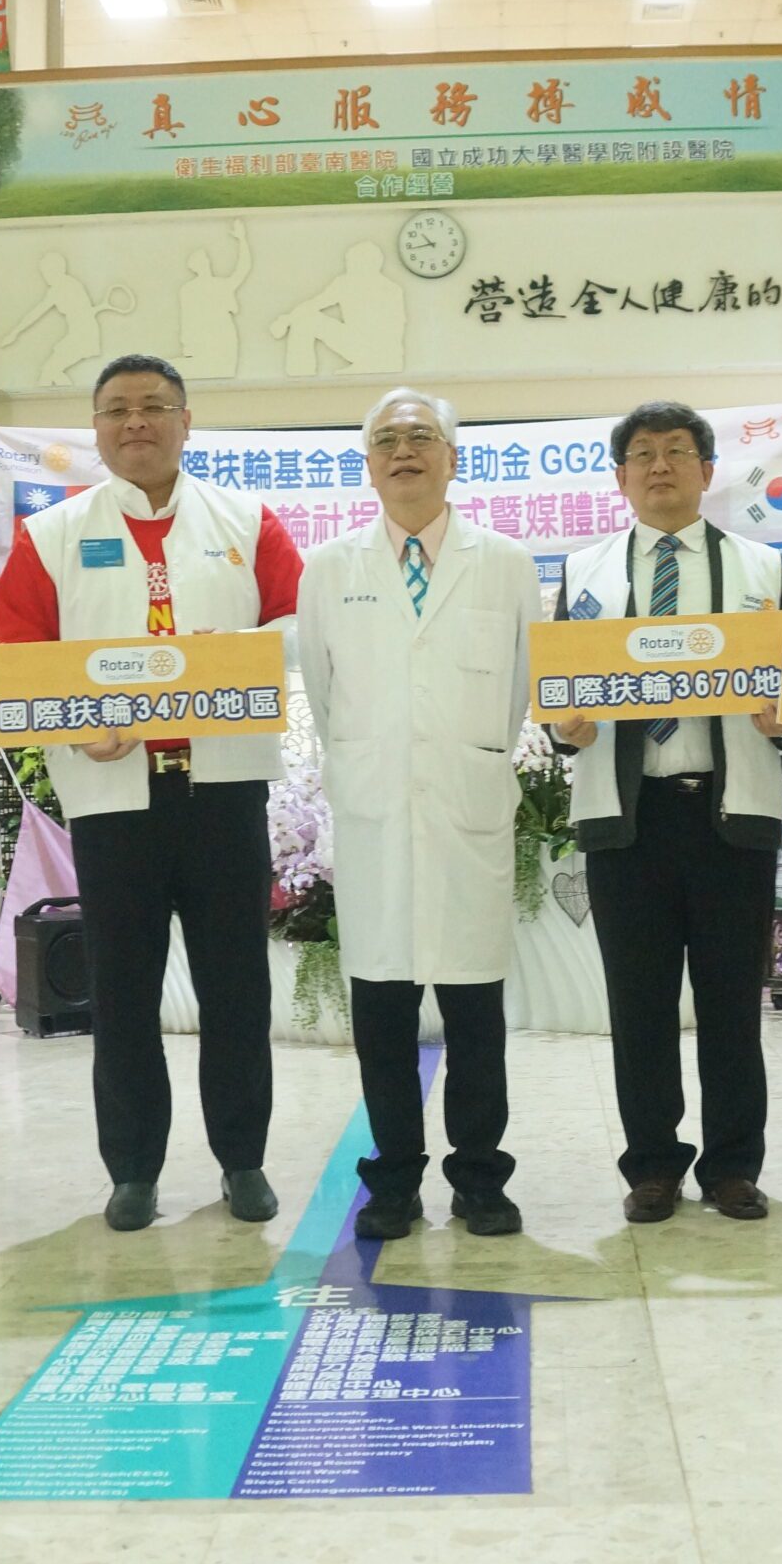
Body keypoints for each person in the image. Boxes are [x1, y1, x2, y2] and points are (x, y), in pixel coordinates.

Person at [0, 353, 302, 1232]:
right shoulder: (52, 534)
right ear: (96, 429)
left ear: (185, 421)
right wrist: (76, 724)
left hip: (223, 792)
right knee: (123, 994)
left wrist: (228, 651)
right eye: (118, 409)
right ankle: (132, 1169)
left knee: (236, 987)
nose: (137, 422)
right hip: (112, 796)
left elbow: (296, 622)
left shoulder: (246, 520)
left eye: (155, 406)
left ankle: (242, 1159)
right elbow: (18, 658)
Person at [298, 387, 535, 1241]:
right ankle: (393, 1179)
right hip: (376, 816)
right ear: (368, 465)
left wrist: (462, 757)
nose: (404, 450)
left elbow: (518, 688)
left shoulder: (505, 562)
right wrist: (378, 760)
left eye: (422, 436)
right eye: (387, 439)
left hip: (467, 809)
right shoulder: (329, 568)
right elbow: (324, 695)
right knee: (383, 1011)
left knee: (475, 1013)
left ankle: (480, 1177)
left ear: (452, 458)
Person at [552, 400, 782, 1224]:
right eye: (644, 454)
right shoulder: (583, 571)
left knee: (731, 1003)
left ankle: (733, 1166)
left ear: (707, 470)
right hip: (628, 816)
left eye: (678, 451)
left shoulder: (762, 568)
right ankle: (652, 1164)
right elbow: (561, 691)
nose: (660, 466)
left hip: (729, 813)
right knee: (640, 1004)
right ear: (621, 477)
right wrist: (562, 725)